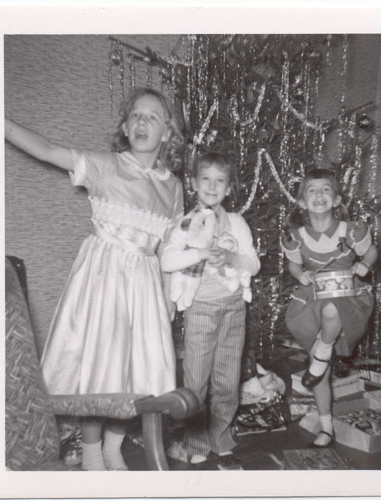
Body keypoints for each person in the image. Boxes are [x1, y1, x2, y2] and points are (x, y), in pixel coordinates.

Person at [5, 87, 185, 470]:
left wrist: (169, 302)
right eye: (135, 115)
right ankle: (91, 453)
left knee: (136, 368)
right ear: (124, 125)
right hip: (103, 280)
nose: (142, 122)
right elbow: (46, 149)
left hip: (145, 287)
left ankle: (113, 447)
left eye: (152, 117)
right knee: (100, 365)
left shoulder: (173, 186)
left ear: (167, 132)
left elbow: (172, 250)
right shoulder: (106, 165)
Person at [160, 151, 260, 468]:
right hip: (201, 309)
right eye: (206, 179)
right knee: (196, 380)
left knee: (227, 380)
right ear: (193, 184)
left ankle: (220, 433)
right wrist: (201, 253)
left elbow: (253, 264)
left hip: (233, 308)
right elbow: (167, 260)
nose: (213, 186)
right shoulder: (185, 224)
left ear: (229, 188)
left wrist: (230, 258)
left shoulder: (237, 223)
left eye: (220, 180)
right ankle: (196, 439)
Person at [282, 167, 378, 448]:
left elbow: (370, 251)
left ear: (336, 200)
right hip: (312, 299)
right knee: (318, 371)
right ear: (302, 203)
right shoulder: (296, 236)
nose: (319, 195)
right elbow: (294, 264)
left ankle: (324, 351)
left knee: (332, 310)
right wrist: (300, 275)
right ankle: (326, 428)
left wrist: (365, 263)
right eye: (312, 191)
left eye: (325, 189)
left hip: (349, 297)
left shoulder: (352, 229)